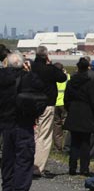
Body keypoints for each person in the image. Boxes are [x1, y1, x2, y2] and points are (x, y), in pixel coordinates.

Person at [1, 51, 45, 191]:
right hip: (24, 125)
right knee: (24, 161)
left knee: (8, 159)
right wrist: (29, 72)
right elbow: (42, 87)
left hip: (6, 125)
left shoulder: (2, 78)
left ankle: (7, 186)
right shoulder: (29, 79)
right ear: (22, 64)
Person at [31, 46, 67, 177]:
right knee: (44, 136)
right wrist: (50, 64)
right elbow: (62, 77)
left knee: (33, 133)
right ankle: (37, 167)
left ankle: (27, 162)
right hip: (47, 104)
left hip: (30, 104)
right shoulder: (50, 69)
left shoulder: (31, 67)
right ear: (46, 56)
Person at [63, 57, 94, 176]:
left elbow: (66, 99)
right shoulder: (89, 83)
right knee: (85, 143)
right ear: (87, 68)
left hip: (74, 111)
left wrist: (70, 109)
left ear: (77, 68)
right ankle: (84, 168)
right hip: (86, 112)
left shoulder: (71, 82)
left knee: (74, 142)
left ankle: (72, 167)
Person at [52, 62, 70, 152]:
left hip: (55, 103)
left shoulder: (52, 78)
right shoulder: (67, 77)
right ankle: (67, 146)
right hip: (64, 104)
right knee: (67, 126)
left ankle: (57, 147)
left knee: (56, 126)